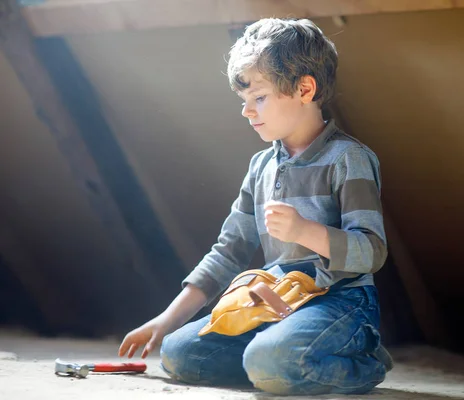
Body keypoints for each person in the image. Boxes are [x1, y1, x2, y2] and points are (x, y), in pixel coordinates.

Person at [118, 17, 393, 396]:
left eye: (259, 97)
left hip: (341, 302)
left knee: (271, 361)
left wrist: (304, 232)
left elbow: (372, 252)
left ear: (305, 88)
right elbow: (227, 254)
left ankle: (366, 363)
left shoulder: (350, 159)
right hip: (274, 301)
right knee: (179, 354)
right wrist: (165, 321)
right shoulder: (261, 166)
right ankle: (270, 360)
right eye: (244, 101)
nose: (248, 111)